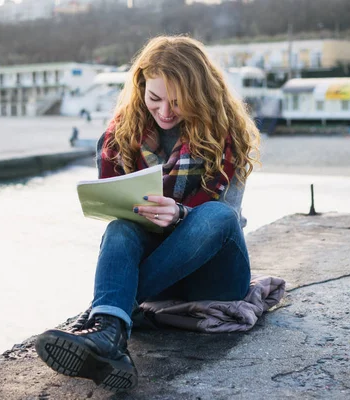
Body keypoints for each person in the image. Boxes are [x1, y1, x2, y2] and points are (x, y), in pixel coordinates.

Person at [35, 36, 261, 391]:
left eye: (178, 102)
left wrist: (182, 214)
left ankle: (105, 316)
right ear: (141, 86)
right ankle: (111, 334)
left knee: (218, 215)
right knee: (120, 229)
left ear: (199, 95)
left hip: (215, 276)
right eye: (155, 99)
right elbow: (115, 208)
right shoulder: (119, 137)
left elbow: (230, 221)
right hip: (161, 271)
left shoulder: (226, 135)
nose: (166, 112)